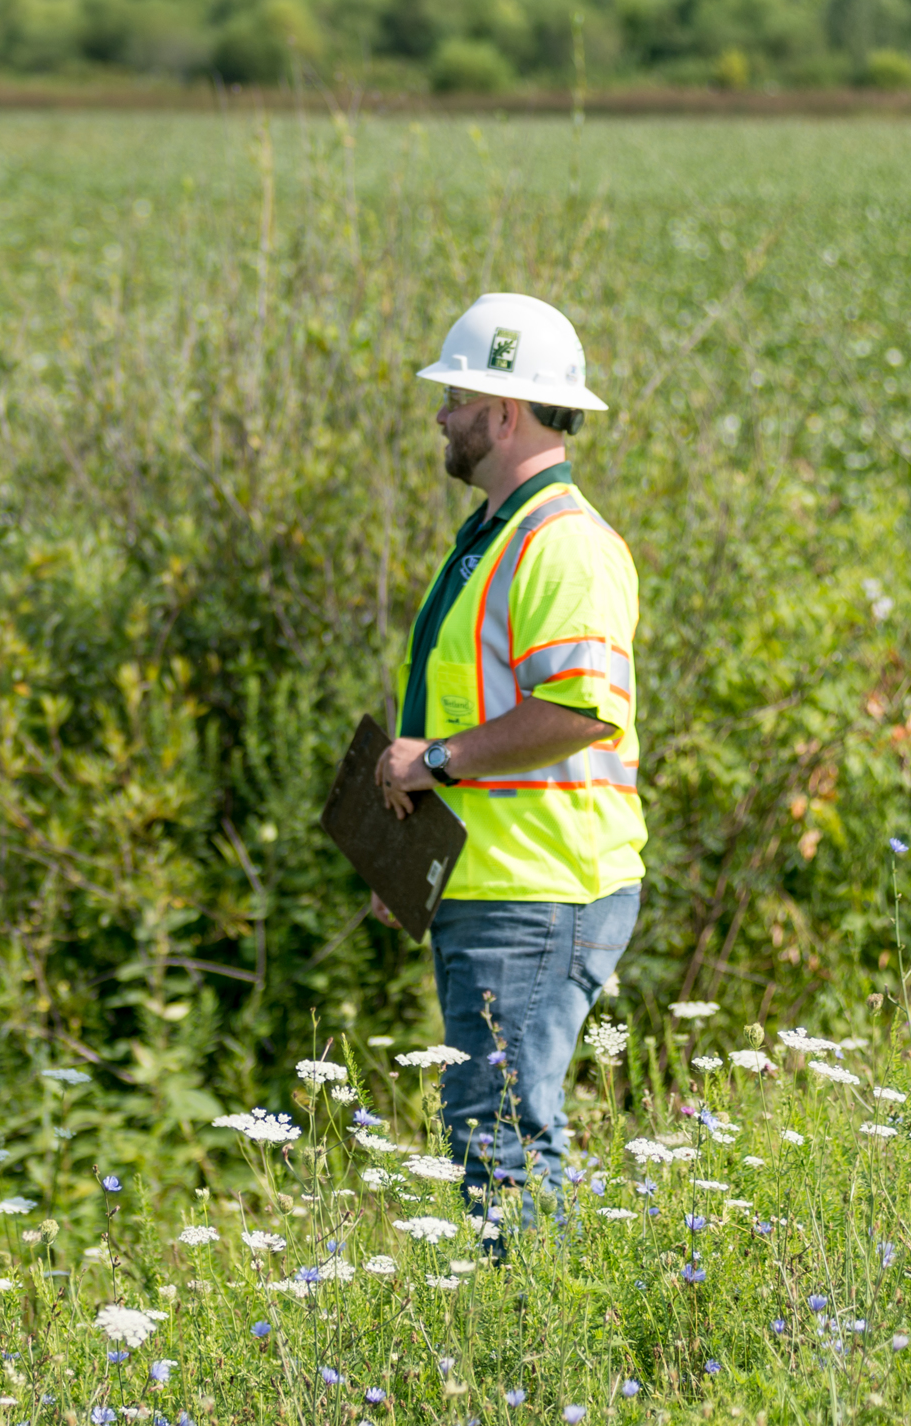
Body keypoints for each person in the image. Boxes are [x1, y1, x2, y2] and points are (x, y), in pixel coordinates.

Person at [373, 292, 644, 1212]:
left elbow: (581, 710)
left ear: (503, 411)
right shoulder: (491, 539)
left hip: (539, 889)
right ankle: (522, 1338)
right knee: (489, 1131)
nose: (441, 415)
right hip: (490, 883)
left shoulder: (562, 545)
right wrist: (406, 862)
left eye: (454, 396)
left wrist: (433, 761)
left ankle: (532, 1348)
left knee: (504, 1139)